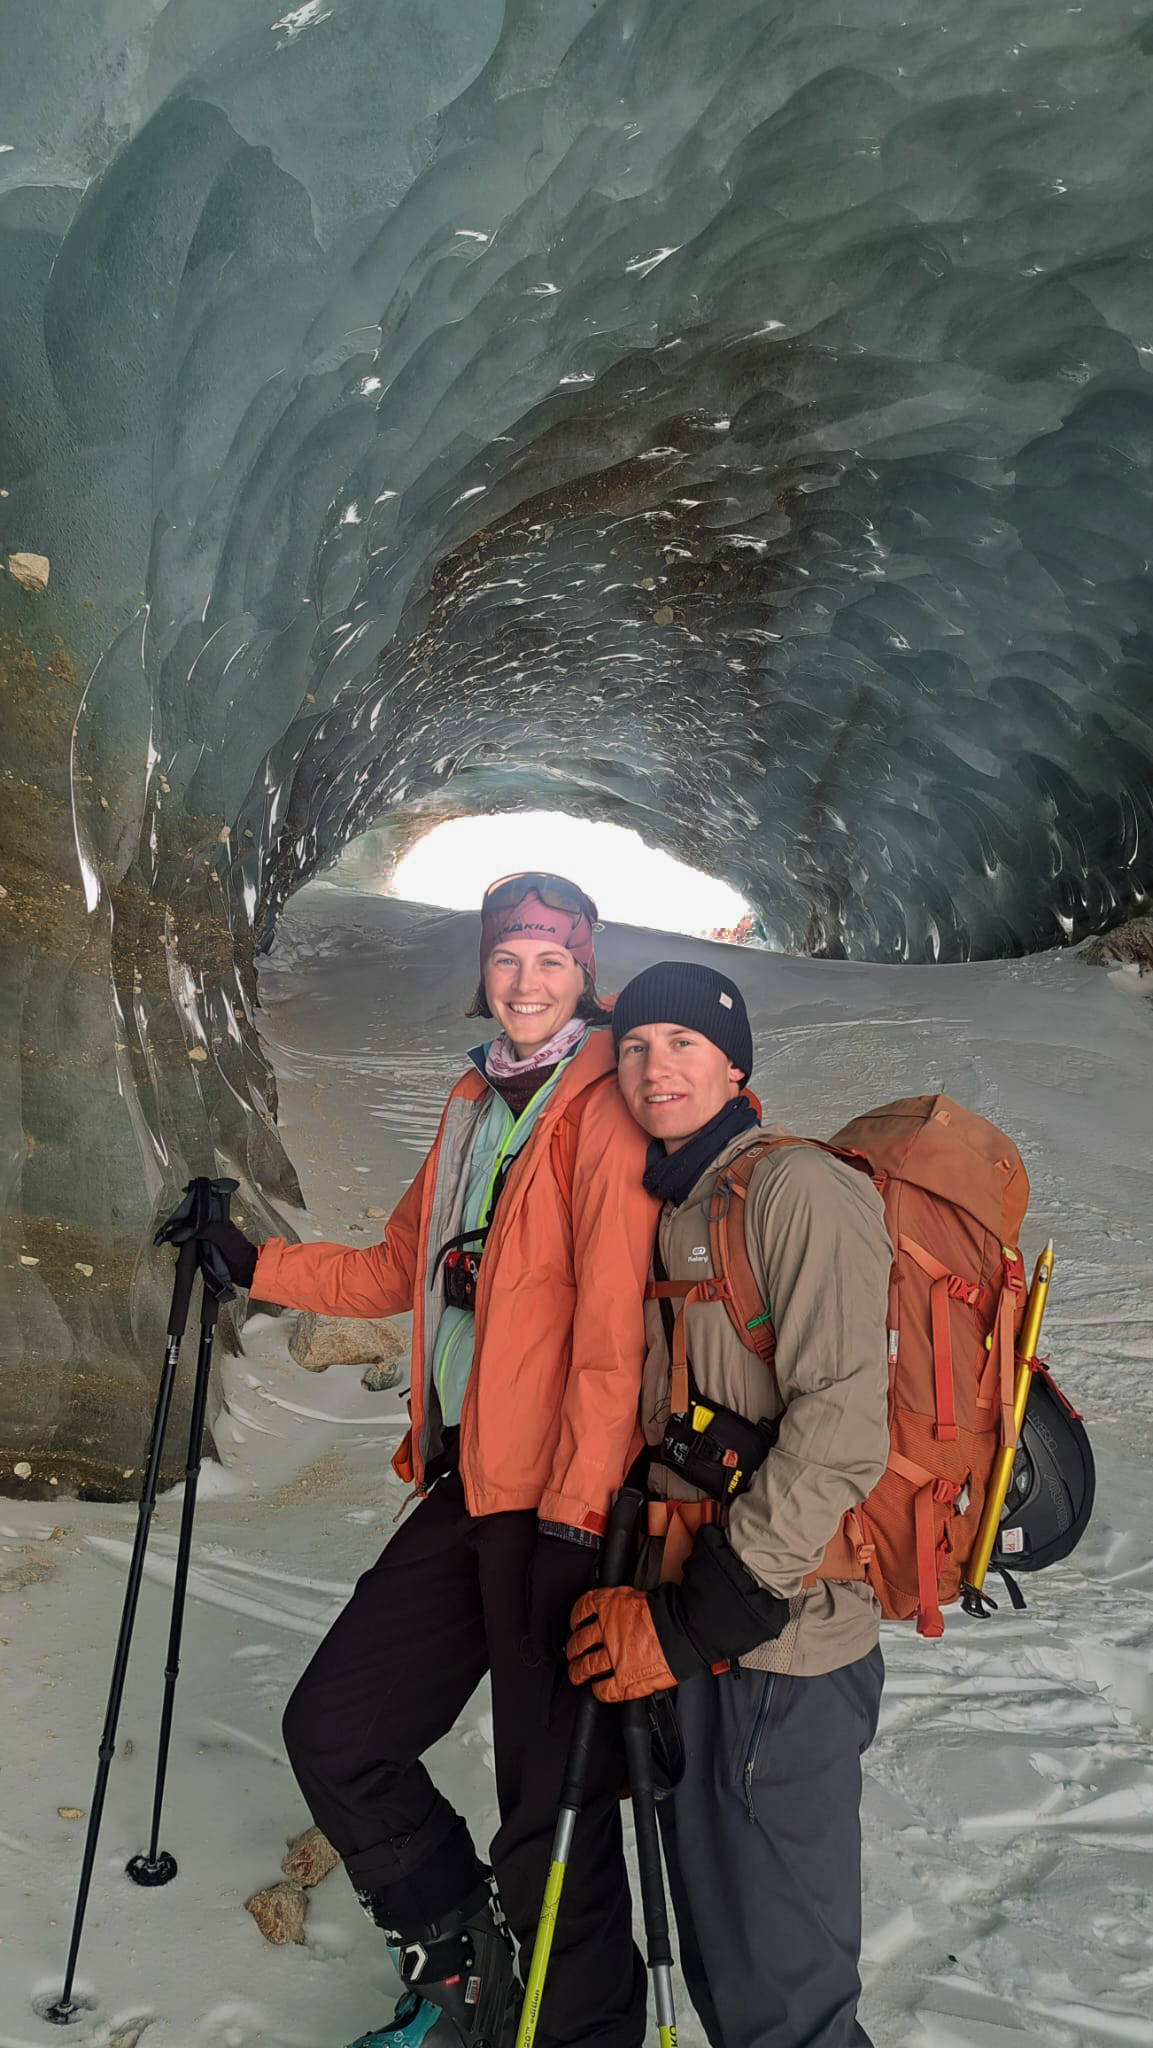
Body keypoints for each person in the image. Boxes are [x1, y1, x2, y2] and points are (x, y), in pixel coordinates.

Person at [196, 876, 658, 2048]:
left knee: (549, 1807)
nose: (525, 980)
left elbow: (612, 1339)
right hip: (472, 1486)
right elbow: (398, 1263)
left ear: (585, 971)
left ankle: (584, 2029)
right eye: (507, 956)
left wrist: (576, 1520)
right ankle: (461, 1963)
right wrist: (253, 1264)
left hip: (560, 1507)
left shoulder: (605, 1106)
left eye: (549, 959)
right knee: (339, 1729)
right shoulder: (475, 1099)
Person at [565, 961, 893, 2048]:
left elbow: (841, 1428)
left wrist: (694, 1621)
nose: (654, 1066)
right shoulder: (681, 1200)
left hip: (782, 1653)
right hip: (699, 1639)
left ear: (735, 1064)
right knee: (727, 1977)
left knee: (787, 2005)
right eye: (634, 1046)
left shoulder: (796, 1189)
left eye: (684, 1043)